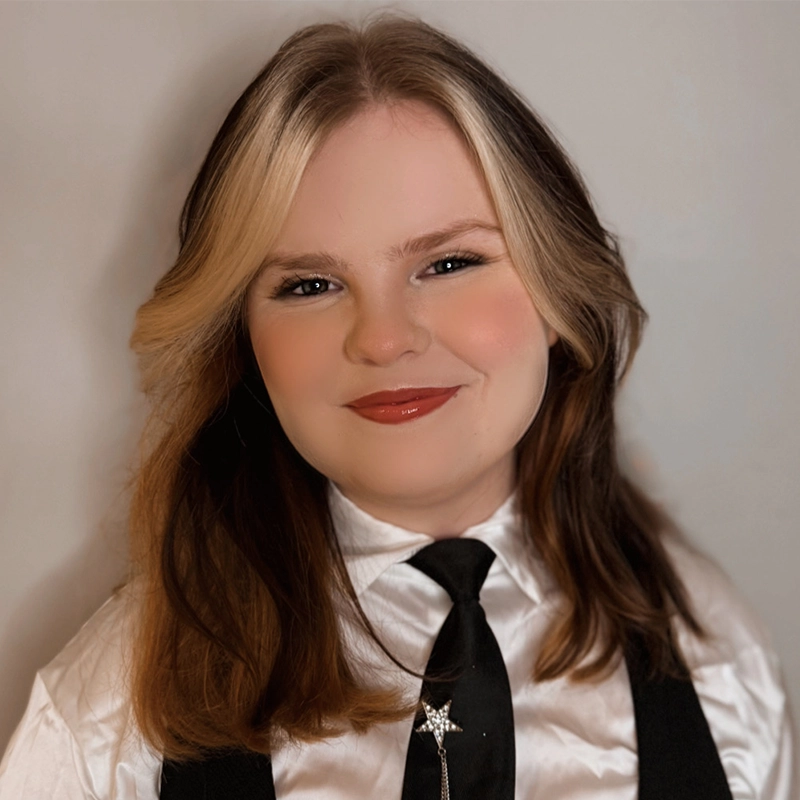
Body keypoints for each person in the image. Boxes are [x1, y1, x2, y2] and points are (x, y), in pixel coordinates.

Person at [0, 14, 795, 800]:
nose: (383, 338)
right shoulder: (110, 712)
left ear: (559, 292)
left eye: (449, 262)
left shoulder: (715, 658)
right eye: (308, 285)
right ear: (240, 337)